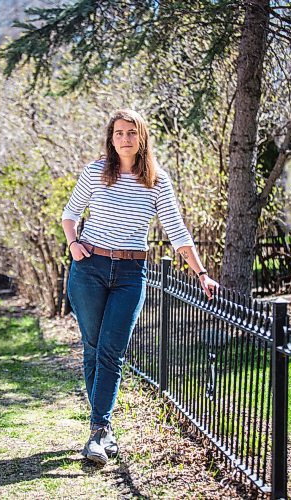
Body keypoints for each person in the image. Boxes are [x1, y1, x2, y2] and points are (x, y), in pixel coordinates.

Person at [62, 109, 218, 466]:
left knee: (112, 351)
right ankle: (103, 430)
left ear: (142, 137)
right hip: (90, 268)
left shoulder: (157, 181)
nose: (125, 138)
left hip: (132, 272)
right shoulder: (95, 172)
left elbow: (177, 231)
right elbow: (70, 214)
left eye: (131, 132)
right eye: (118, 133)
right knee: (92, 348)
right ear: (111, 138)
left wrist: (201, 273)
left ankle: (98, 432)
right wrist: (74, 245)